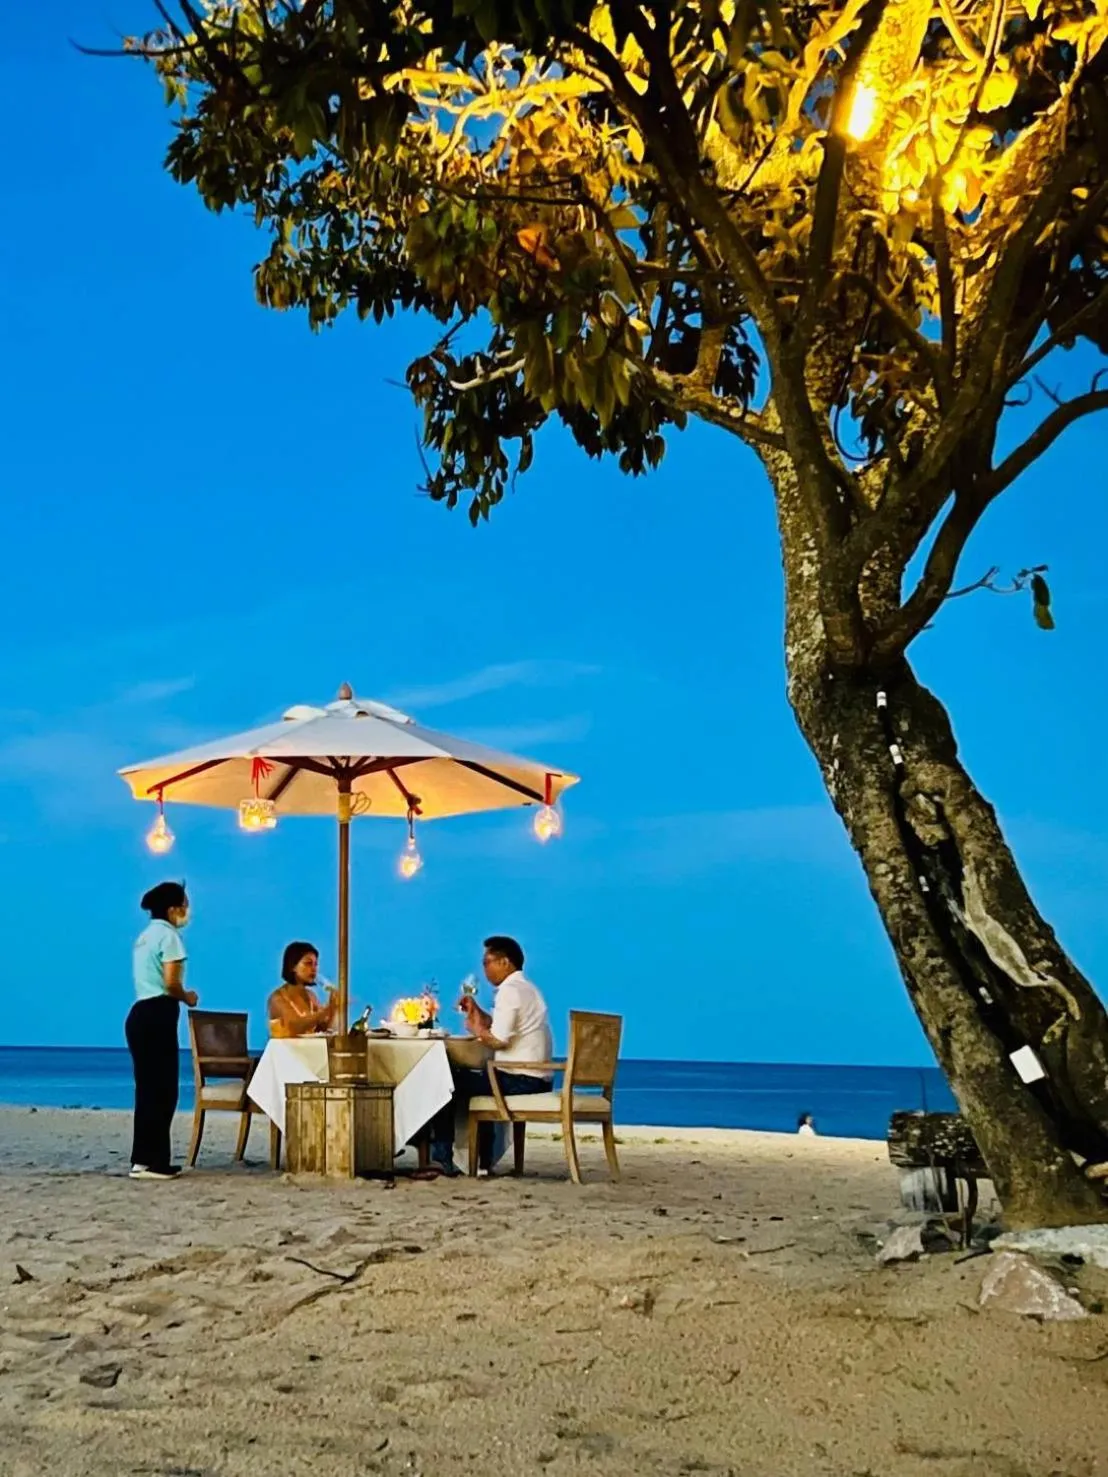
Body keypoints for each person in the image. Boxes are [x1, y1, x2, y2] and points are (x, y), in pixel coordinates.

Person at [429, 935, 552, 1177]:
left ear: (505, 962)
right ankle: (482, 1160)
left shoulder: (510, 991)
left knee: (444, 1082)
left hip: (521, 1079)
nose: (484, 969)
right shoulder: (526, 989)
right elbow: (501, 1027)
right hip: (538, 1077)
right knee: (471, 1080)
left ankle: (441, 1157)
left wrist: (476, 1030)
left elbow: (499, 1040)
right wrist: (479, 1014)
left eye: (487, 962)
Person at [127, 881, 197, 1181]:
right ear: (172, 909)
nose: (187, 911)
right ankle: (157, 1161)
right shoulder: (170, 937)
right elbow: (170, 982)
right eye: (184, 905)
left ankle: (141, 1159)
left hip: (140, 1013)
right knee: (164, 1089)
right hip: (159, 1012)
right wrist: (188, 996)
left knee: (146, 1089)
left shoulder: (144, 936)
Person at [268, 942, 337, 1038]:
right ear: (293, 966)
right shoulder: (278, 998)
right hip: (284, 1051)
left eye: (315, 964)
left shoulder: (311, 996)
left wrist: (333, 1009)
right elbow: (294, 1027)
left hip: (307, 1051)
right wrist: (326, 1011)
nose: (314, 969)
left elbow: (320, 1029)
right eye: (308, 963)